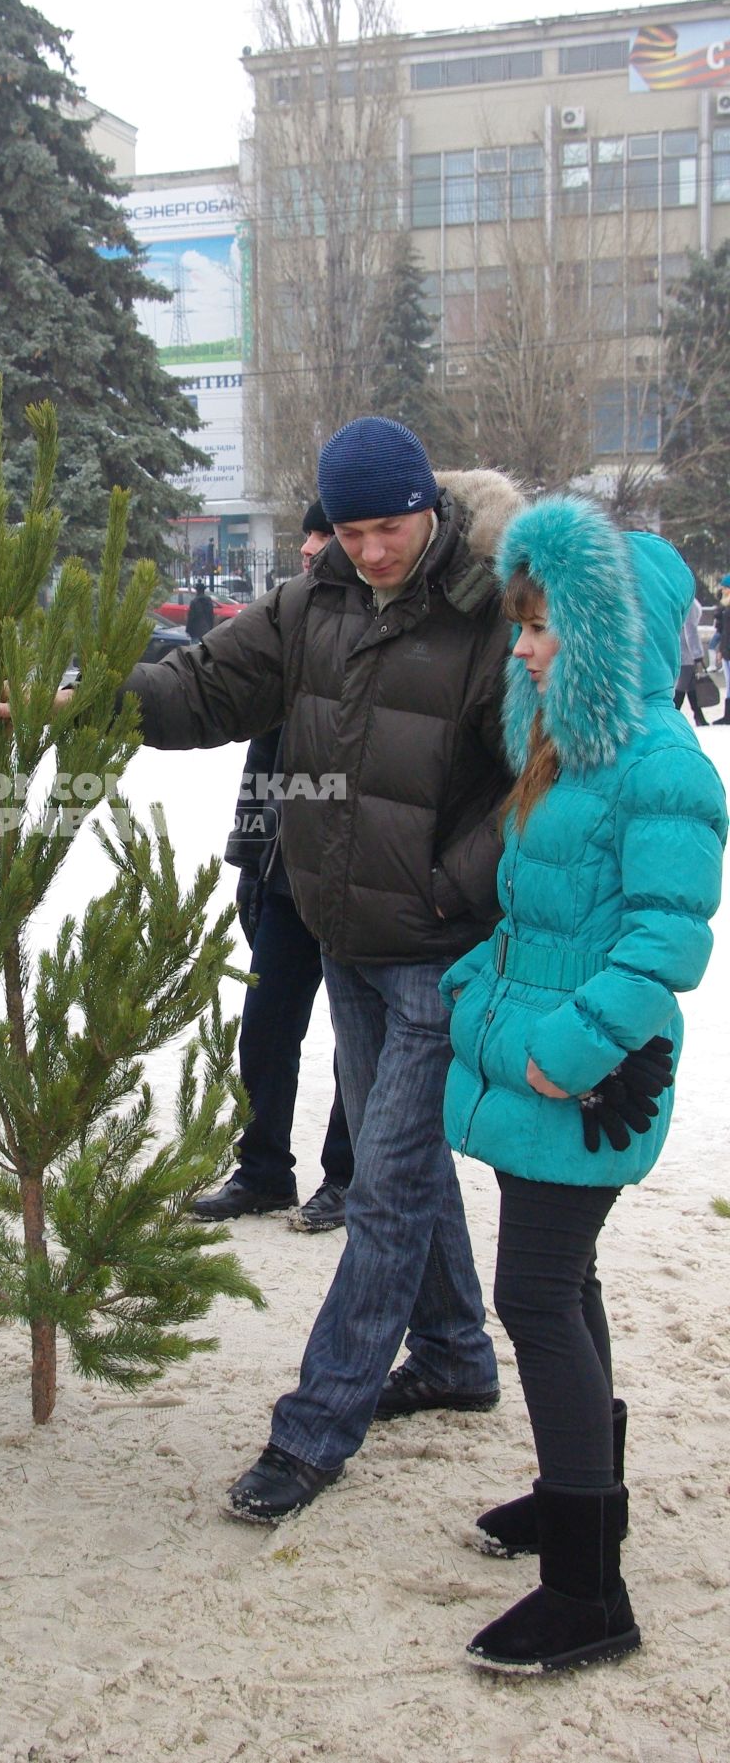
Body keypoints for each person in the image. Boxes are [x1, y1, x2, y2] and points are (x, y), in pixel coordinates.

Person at [109, 417, 527, 1521]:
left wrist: (455, 883)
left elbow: (541, 773)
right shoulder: (310, 604)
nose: (372, 551)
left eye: (387, 528)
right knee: (411, 1169)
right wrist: (95, 701)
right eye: (350, 532)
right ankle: (449, 1351)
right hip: (346, 937)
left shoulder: (490, 607)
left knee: (383, 1188)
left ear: (426, 509)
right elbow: (201, 686)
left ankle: (311, 1430)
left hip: (442, 949)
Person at [440, 496, 725, 1671]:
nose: (520, 644)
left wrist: (565, 1046)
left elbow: (663, 943)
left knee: (535, 1295)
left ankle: (587, 1589)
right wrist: (475, 985)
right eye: (520, 621)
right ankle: (581, 1495)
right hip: (534, 1063)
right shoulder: (561, 752)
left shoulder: (662, 763)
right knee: (565, 1281)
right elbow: (531, 913)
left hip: (585, 1078)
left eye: (543, 623)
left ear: (608, 632)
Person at [192, 501, 353, 1233]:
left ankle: (350, 1179)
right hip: (287, 879)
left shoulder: (379, 638)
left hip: (364, 882)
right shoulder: (295, 633)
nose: (312, 555)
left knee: (362, 1041)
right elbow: (265, 760)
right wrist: (252, 864)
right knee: (264, 1029)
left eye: (324, 544)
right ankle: (263, 1171)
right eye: (311, 545)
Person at [672, 595, 709, 726]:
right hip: (687, 653)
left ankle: (699, 717)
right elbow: (690, 630)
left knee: (690, 686)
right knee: (681, 687)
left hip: (682, 649)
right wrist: (697, 654)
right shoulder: (689, 602)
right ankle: (672, 717)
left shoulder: (681, 599)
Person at [711, 575, 730, 724]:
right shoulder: (725, 606)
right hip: (726, 649)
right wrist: (720, 650)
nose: (722, 590)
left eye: (724, 587)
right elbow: (723, 631)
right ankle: (727, 714)